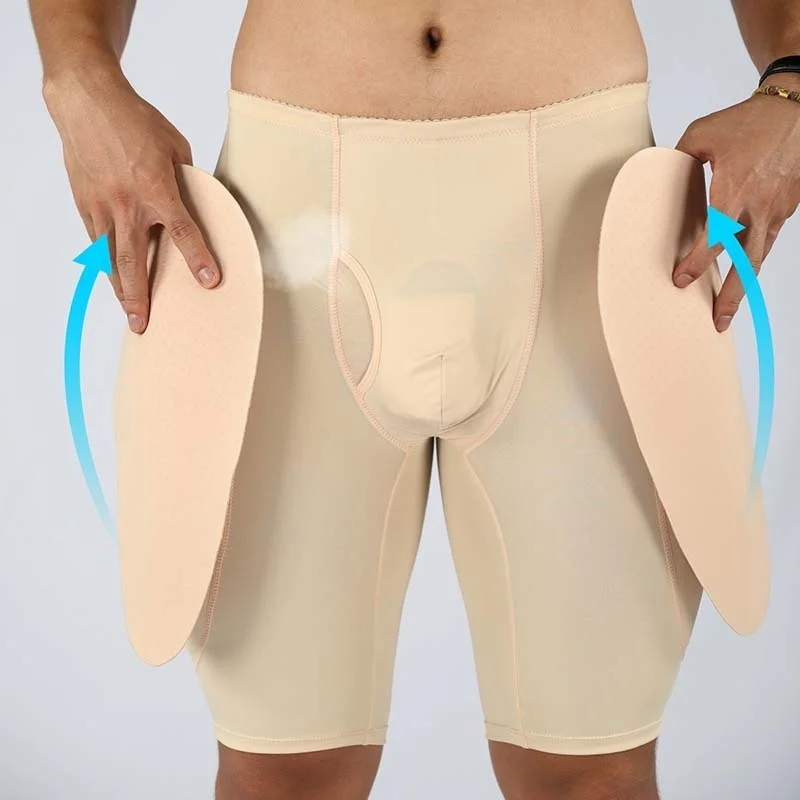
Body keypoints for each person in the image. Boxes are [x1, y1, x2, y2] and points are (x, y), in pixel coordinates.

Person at [29, 2, 800, 798]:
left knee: (593, 774)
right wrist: (79, 82)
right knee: (279, 774)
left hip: (586, 220)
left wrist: (793, 83)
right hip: (288, 236)